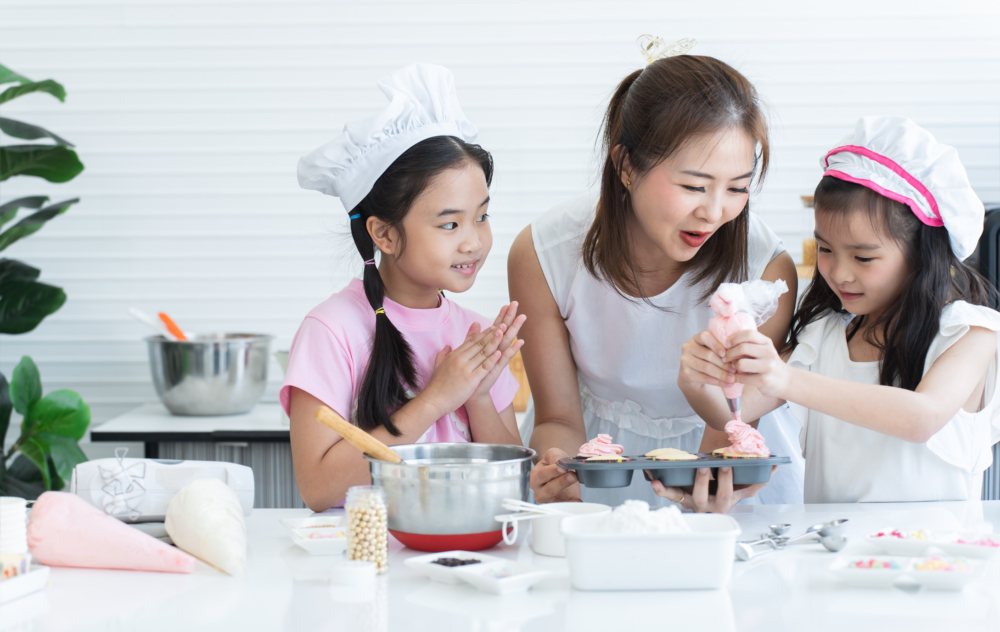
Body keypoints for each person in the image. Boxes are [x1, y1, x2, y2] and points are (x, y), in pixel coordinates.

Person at [509, 45, 803, 512]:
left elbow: (727, 426)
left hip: (720, 468)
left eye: (738, 188)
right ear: (626, 166)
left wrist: (706, 486)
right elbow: (558, 417)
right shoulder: (543, 254)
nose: (713, 212)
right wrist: (560, 467)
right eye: (693, 186)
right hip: (601, 466)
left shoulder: (765, 271)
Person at [680, 116, 1000, 502]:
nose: (839, 274)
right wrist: (696, 380)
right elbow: (732, 412)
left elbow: (922, 417)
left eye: (863, 258)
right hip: (828, 556)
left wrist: (783, 378)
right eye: (826, 250)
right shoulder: (824, 334)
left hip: (935, 559)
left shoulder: (970, 333)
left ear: (922, 254)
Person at [282, 64, 524, 511]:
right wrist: (436, 399)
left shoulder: (476, 333)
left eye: (482, 216)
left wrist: (479, 397)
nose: (474, 240)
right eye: (450, 223)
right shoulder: (332, 330)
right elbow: (318, 488)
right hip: (365, 559)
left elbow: (510, 485)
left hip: (462, 550)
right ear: (385, 235)